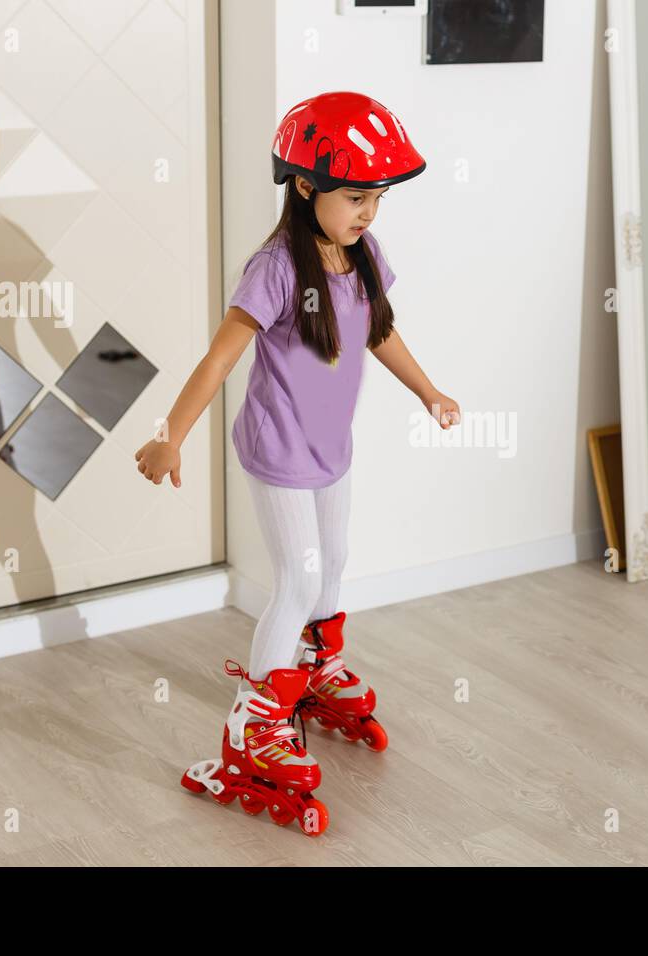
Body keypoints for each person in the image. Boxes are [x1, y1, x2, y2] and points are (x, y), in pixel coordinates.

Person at [135, 91, 459, 835]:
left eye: (376, 196)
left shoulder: (364, 255)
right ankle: (253, 723)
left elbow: (380, 336)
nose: (368, 211)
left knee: (335, 561)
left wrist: (429, 391)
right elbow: (220, 359)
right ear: (305, 186)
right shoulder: (276, 267)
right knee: (301, 577)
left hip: (331, 449)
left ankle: (312, 671)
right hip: (280, 451)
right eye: (354, 196)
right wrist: (170, 435)